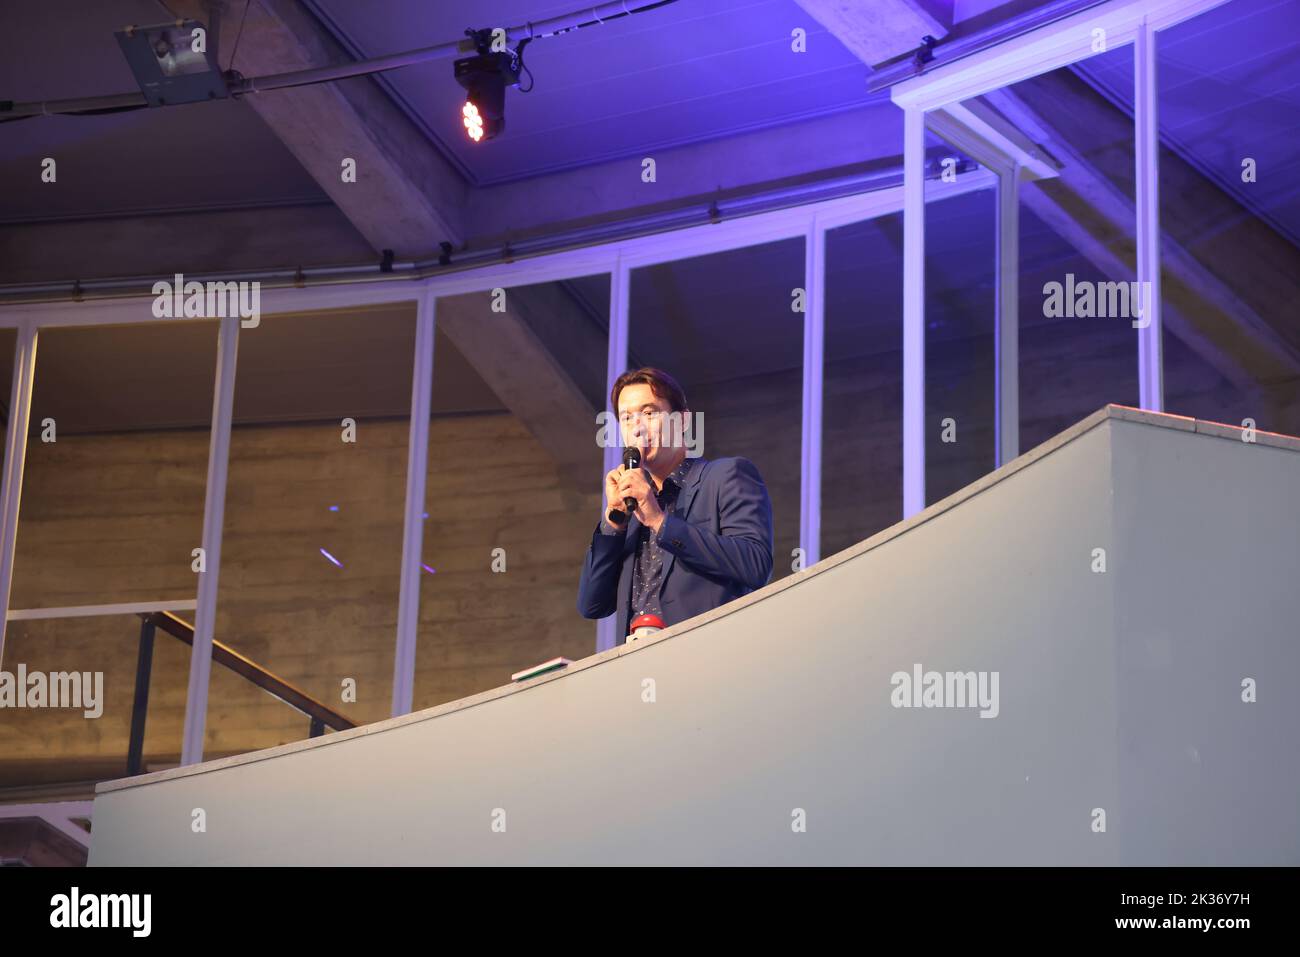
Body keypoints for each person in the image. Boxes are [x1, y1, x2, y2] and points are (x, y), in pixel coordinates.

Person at [576, 367, 774, 643]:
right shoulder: (632, 510)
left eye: (649, 413)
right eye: (626, 418)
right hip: (637, 663)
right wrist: (615, 521)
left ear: (682, 421)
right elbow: (592, 604)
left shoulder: (725, 476)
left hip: (707, 655)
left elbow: (755, 564)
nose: (637, 427)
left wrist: (660, 522)